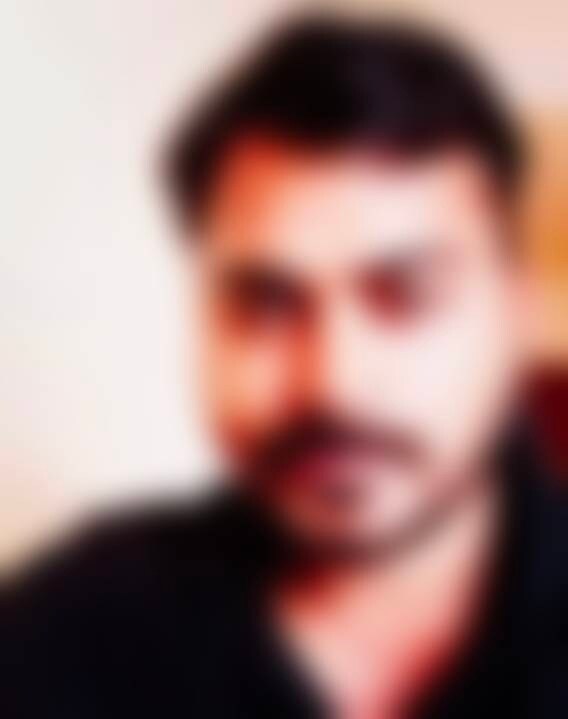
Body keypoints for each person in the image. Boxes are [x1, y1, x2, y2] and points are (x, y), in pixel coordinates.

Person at [2, 15, 567, 719]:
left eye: (405, 296)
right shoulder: (68, 633)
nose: (333, 381)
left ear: (515, 316)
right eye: (267, 304)